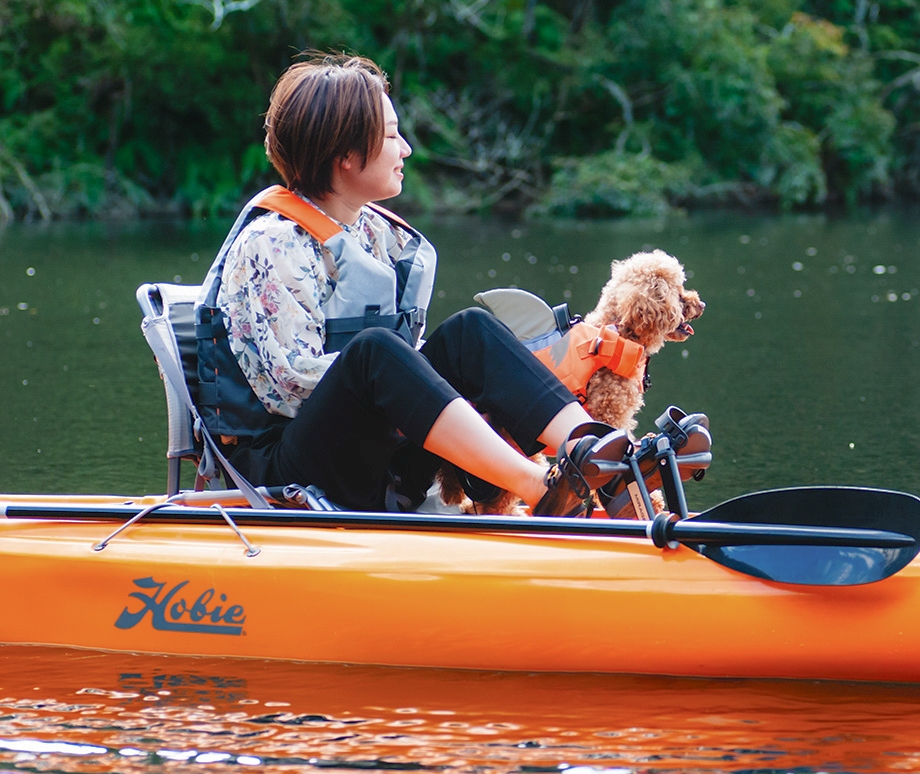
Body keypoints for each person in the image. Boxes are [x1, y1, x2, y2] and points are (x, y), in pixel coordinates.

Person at [194, 53, 621, 515]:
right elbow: (292, 386)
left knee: (468, 333)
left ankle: (603, 458)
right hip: (288, 473)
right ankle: (541, 488)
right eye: (393, 134)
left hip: (378, 458)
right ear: (345, 154)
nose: (406, 150)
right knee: (375, 352)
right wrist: (413, 384)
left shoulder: (373, 235)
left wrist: (430, 387)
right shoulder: (270, 243)